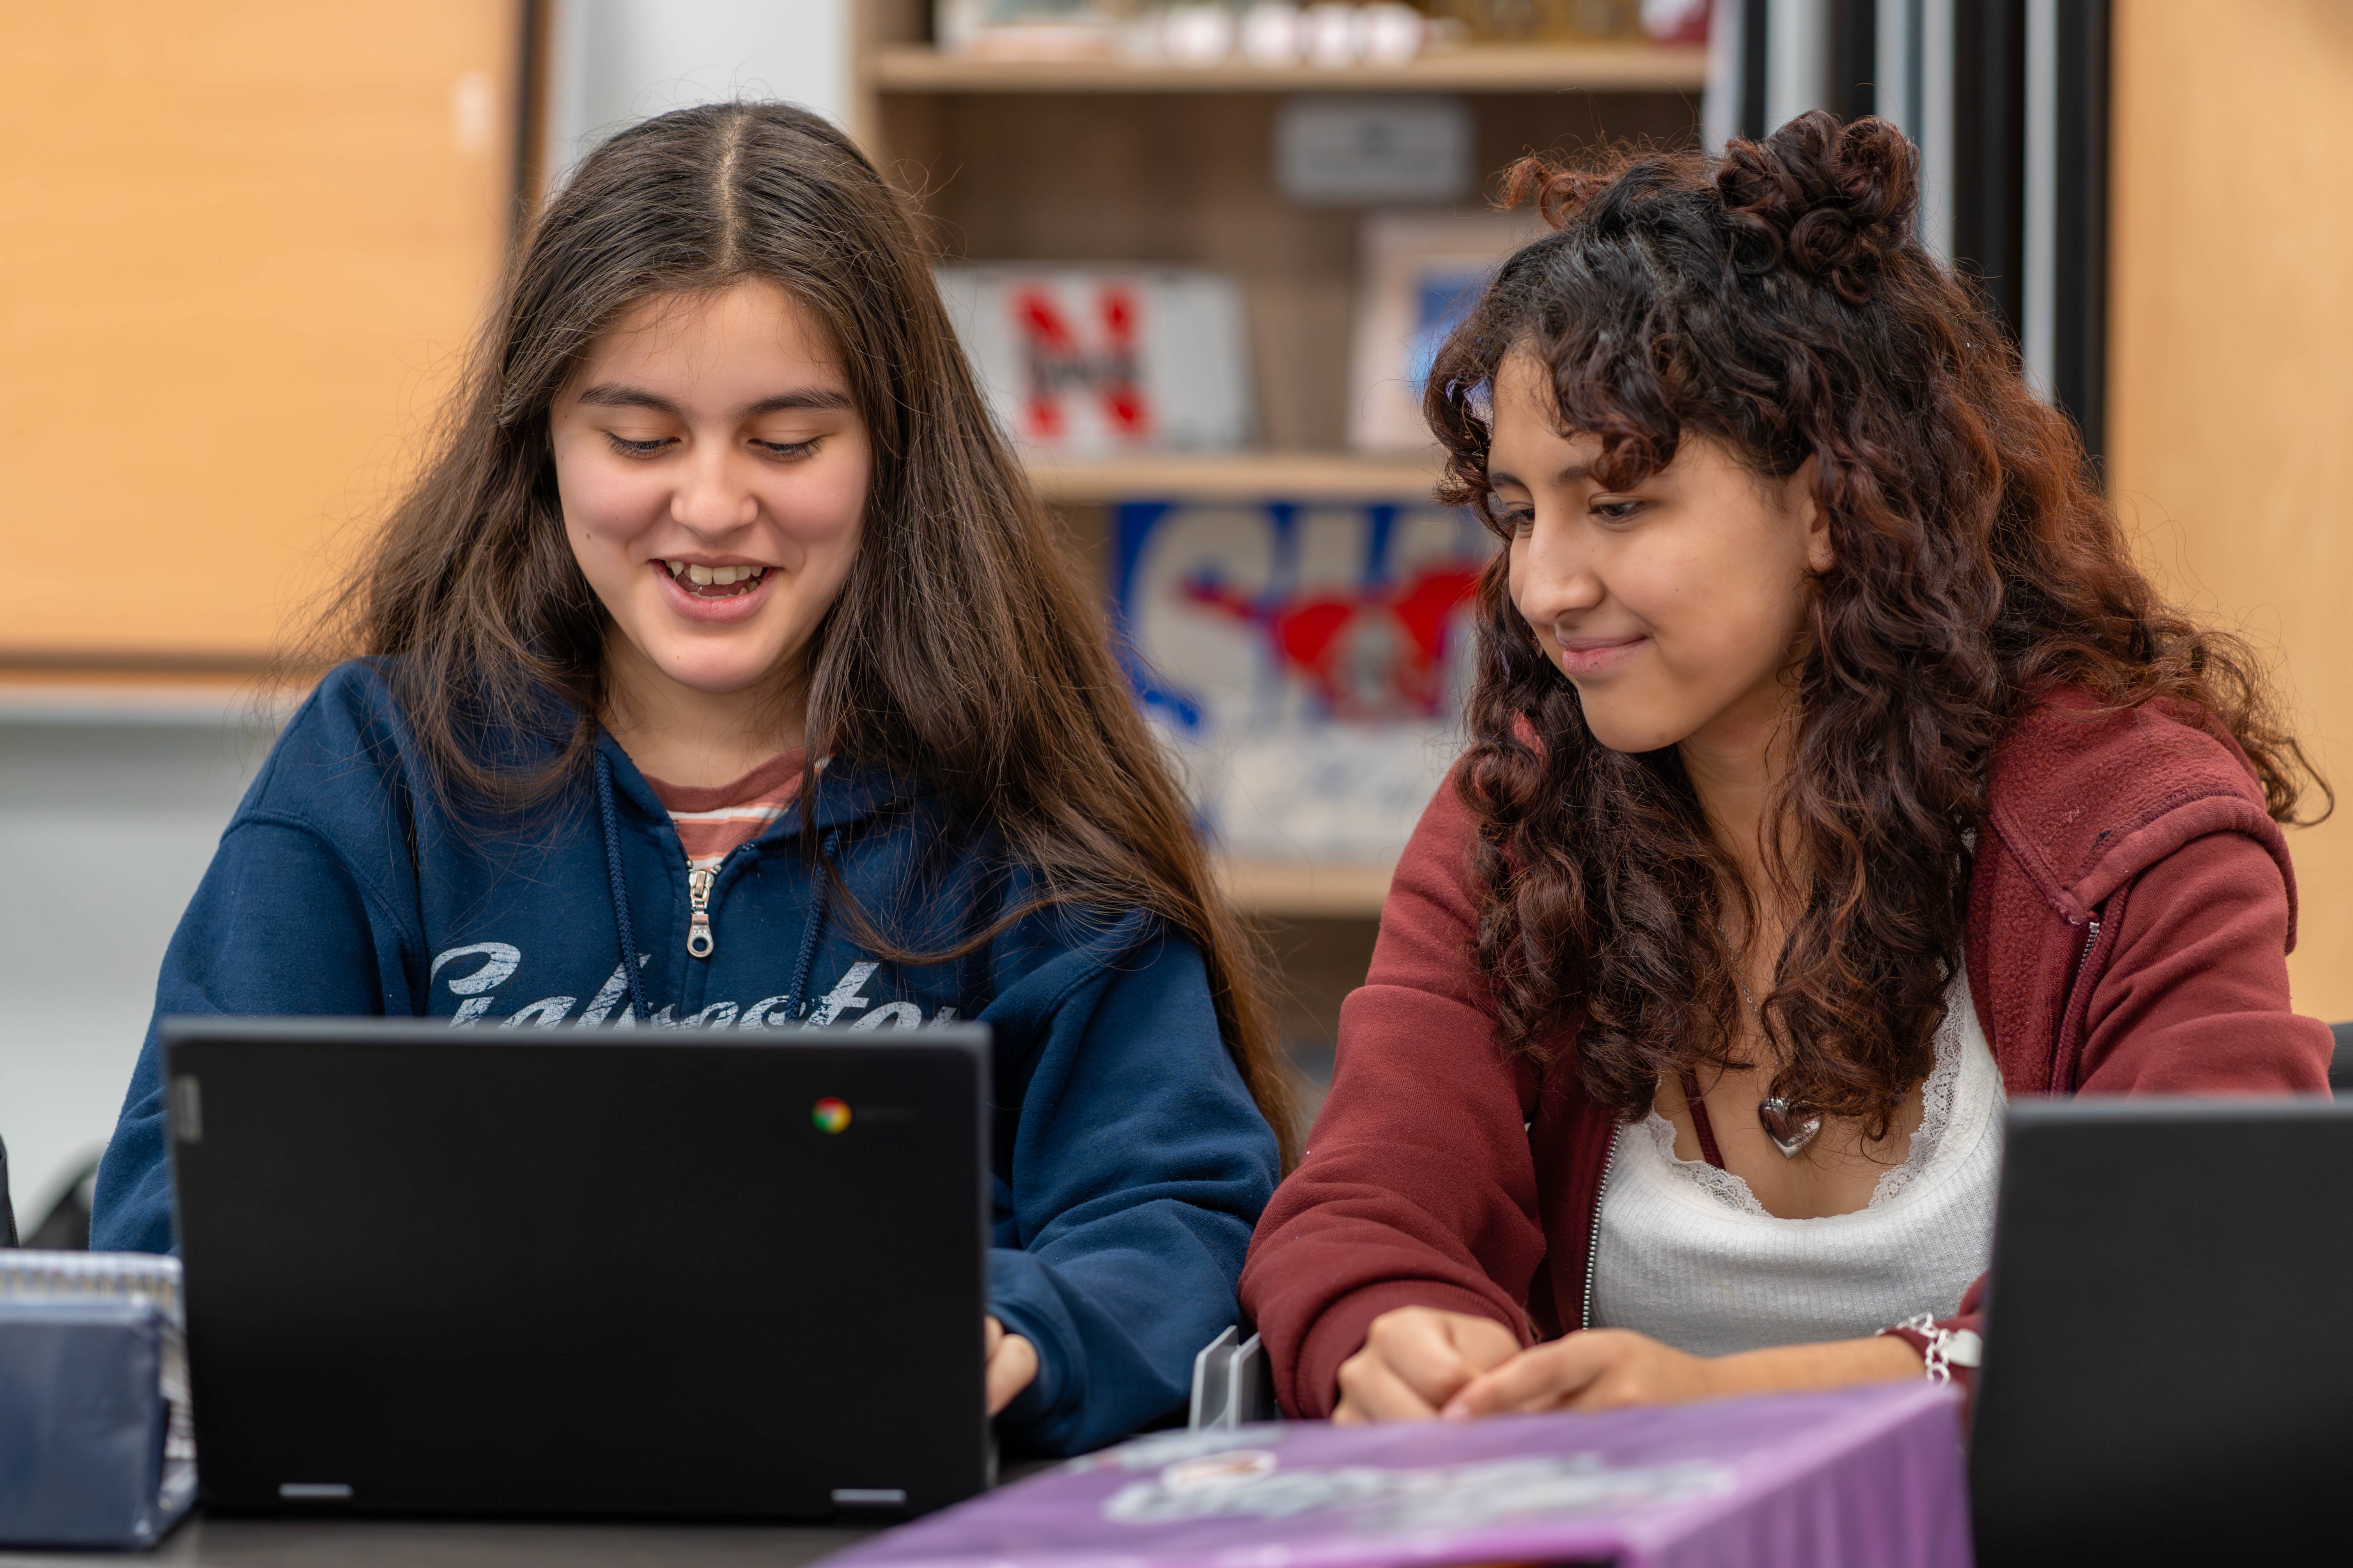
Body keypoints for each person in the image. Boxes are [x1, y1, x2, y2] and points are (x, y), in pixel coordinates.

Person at [89, 101, 1292, 1458]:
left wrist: (1021, 1331)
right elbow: (174, 1222)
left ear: (895, 451)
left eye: (787, 442)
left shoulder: (1018, 788)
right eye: (640, 438)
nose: (715, 508)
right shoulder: (377, 763)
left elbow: (1185, 1216)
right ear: (541, 440)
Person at [1239, 111, 2332, 1424]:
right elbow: (1361, 1209)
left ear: (1830, 500)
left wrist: (1725, 1401)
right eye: (1520, 514)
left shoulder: (2128, 825)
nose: (1543, 584)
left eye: (1619, 504)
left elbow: (2195, 1291)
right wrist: (1391, 1334)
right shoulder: (1519, 817)